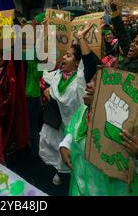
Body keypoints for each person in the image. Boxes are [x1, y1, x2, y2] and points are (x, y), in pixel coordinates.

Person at [59, 76, 138, 196]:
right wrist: (66, 144)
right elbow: (73, 128)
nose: (88, 85)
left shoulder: (127, 130)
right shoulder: (84, 111)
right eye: (90, 80)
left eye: (98, 82)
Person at [39, 23, 98, 186]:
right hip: (58, 124)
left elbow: (90, 65)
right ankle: (60, 171)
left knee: (75, 156)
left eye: (69, 56)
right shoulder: (58, 74)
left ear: (78, 63)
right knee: (58, 151)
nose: (64, 57)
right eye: (64, 55)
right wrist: (45, 33)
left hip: (74, 125)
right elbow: (44, 69)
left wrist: (80, 38)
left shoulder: (79, 80)